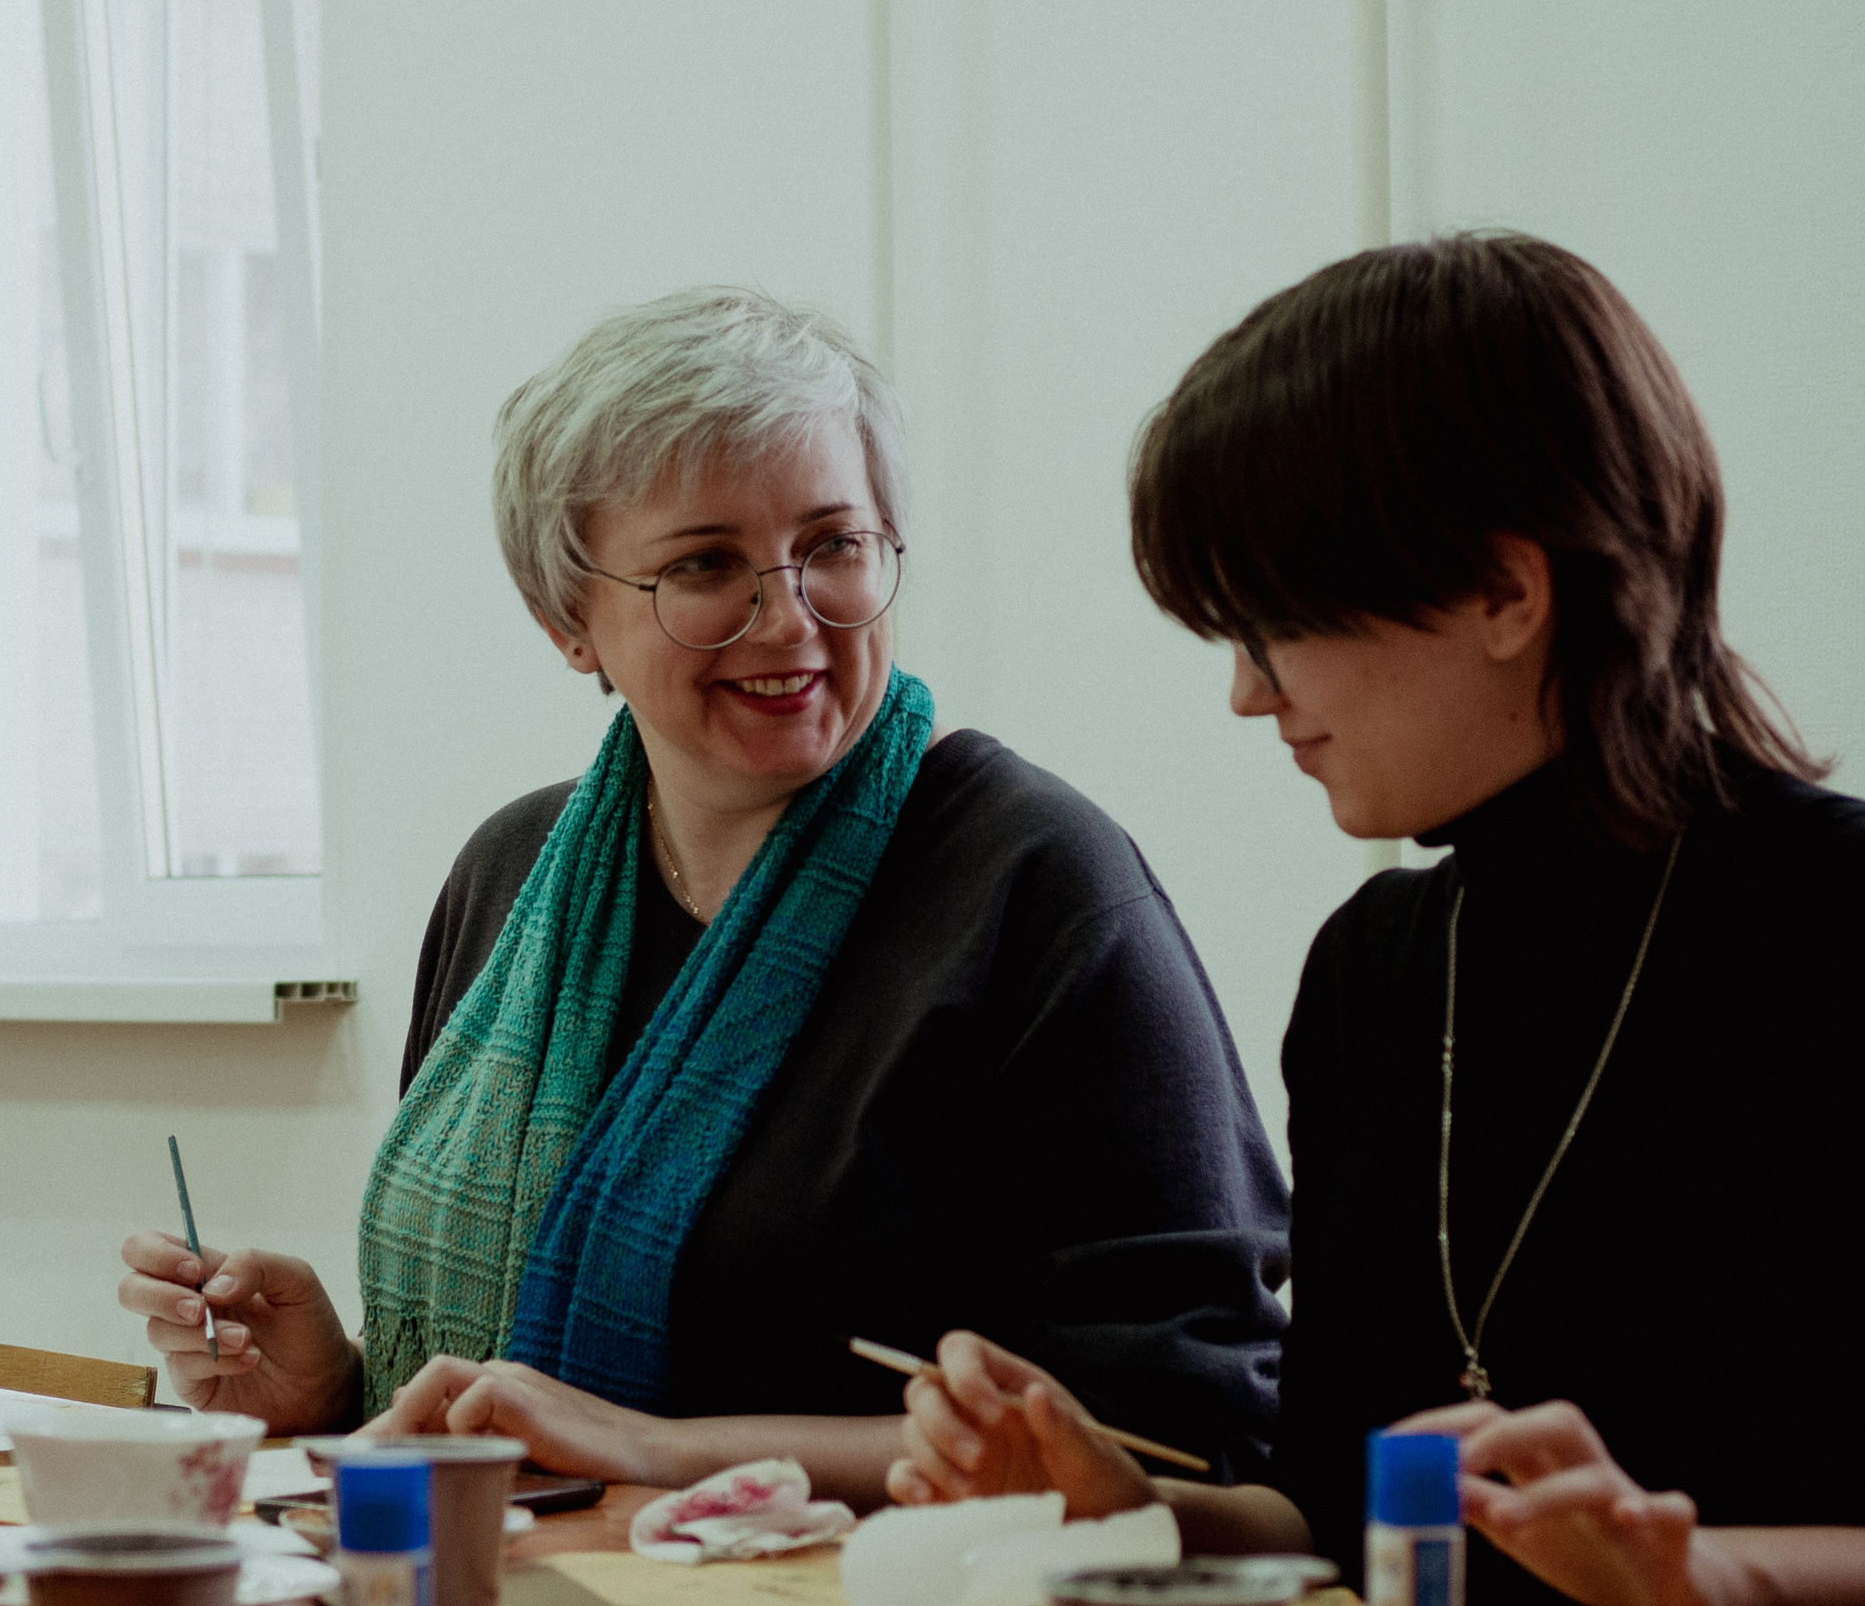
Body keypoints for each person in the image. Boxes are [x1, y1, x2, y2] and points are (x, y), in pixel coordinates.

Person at [886, 233, 1865, 1606]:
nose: (1246, 695)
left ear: (1507, 595)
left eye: (1275, 625)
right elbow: (1343, 1514)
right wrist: (1121, 1505)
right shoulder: (1376, 968)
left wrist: (1709, 1579)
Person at [116, 289, 1289, 1508]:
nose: (788, 617)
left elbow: (1175, 1435)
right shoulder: (510, 877)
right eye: (704, 565)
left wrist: (656, 1446)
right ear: (568, 619)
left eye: (833, 544)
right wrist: (336, 1389)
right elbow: (520, 1401)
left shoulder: (1037, 879)